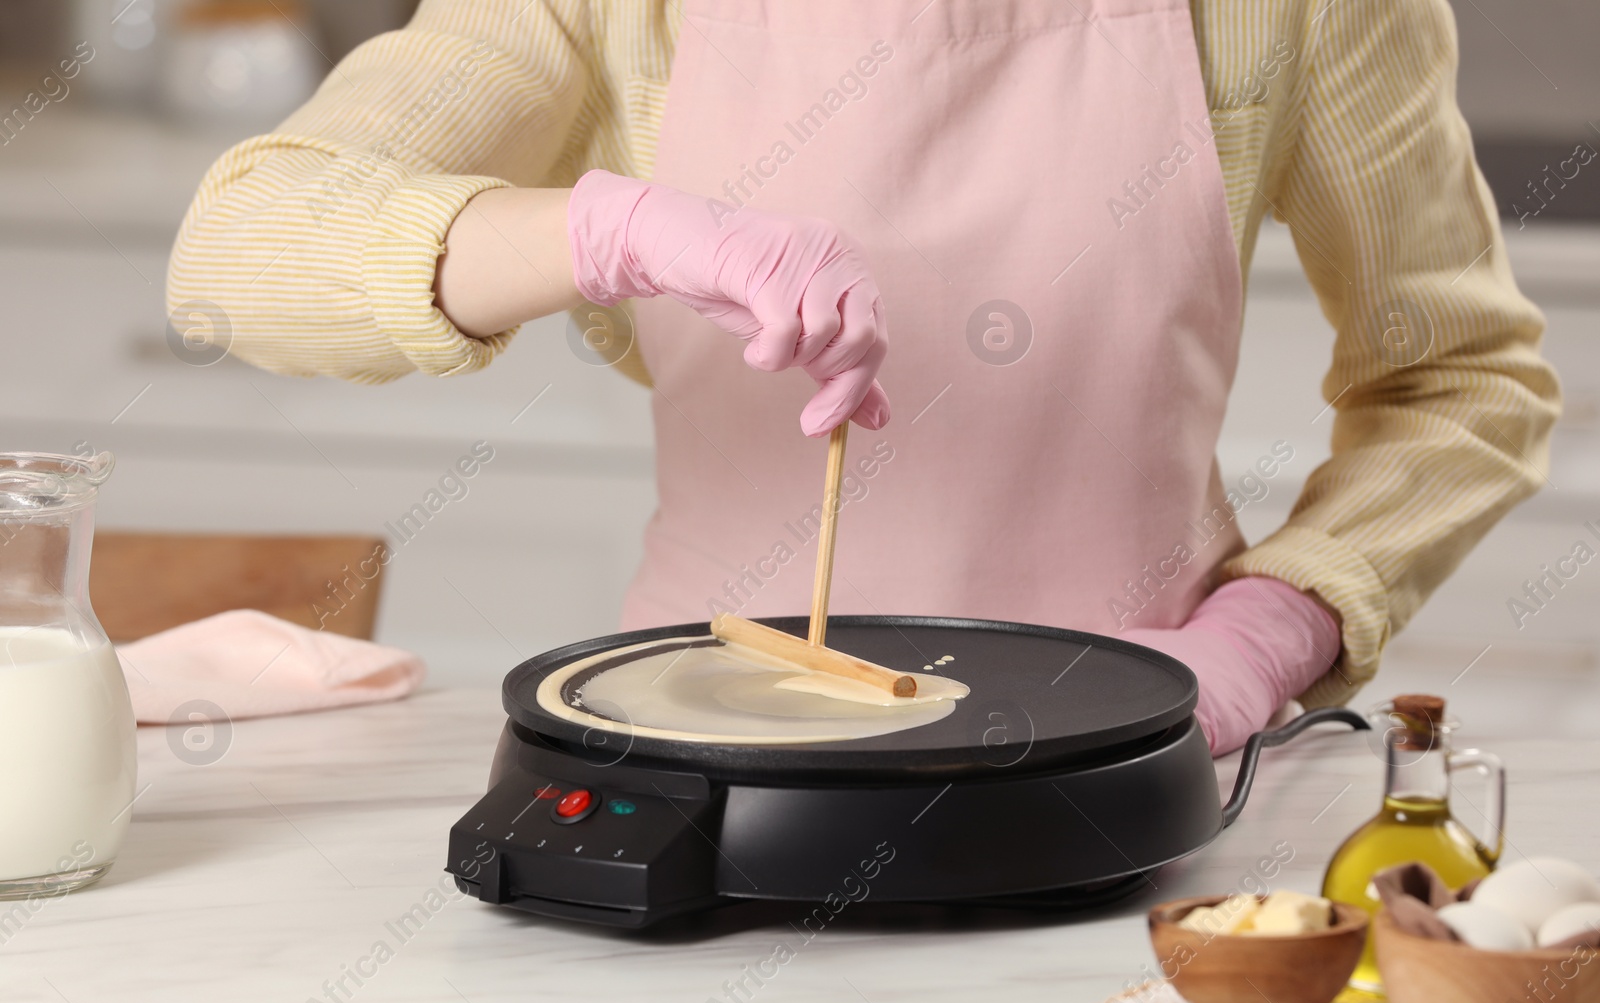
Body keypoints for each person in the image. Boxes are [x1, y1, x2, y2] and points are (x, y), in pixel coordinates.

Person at [168, 0, 1560, 755]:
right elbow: (239, 259)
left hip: (1149, 759)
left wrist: (1274, 632)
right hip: (698, 758)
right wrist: (606, 231)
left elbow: (1463, 375)